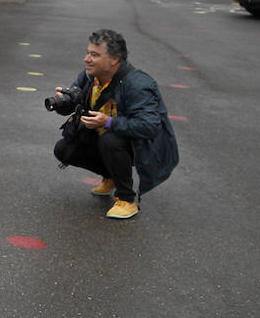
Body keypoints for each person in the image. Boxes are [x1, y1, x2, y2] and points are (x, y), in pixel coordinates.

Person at [51, 28, 179, 220]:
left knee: (110, 140)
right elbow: (74, 104)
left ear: (114, 60)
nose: (87, 59)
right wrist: (63, 101)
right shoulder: (89, 76)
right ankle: (111, 176)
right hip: (108, 137)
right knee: (64, 149)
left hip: (143, 147)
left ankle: (126, 199)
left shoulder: (138, 84)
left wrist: (108, 121)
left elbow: (150, 126)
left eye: (94, 55)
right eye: (87, 53)